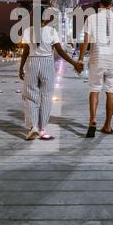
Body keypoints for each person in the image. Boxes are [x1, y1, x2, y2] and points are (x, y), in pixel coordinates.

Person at [19, 12, 83, 140]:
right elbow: (60, 51)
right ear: (46, 19)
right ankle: (42, 129)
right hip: (47, 63)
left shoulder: (27, 31)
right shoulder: (51, 31)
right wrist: (74, 63)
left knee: (30, 96)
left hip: (32, 63)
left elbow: (25, 51)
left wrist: (21, 67)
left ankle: (33, 127)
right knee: (46, 96)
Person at [78, 0, 113, 138]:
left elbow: (85, 40)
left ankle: (92, 120)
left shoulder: (92, 18)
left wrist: (81, 59)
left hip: (97, 60)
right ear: (112, 4)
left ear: (99, 4)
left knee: (94, 90)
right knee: (111, 92)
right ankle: (107, 125)